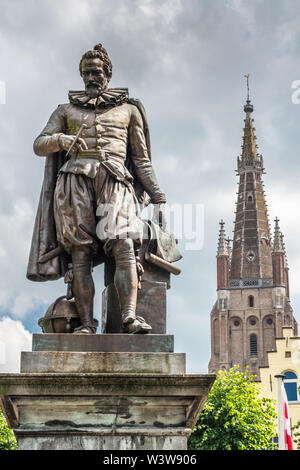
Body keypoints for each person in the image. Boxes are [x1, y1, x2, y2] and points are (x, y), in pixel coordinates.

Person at [27, 44, 167, 334]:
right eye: (86, 73)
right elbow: (39, 144)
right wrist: (62, 140)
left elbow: (141, 160)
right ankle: (87, 324)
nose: (92, 78)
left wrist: (159, 196)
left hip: (116, 180)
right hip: (74, 181)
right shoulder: (65, 110)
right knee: (80, 254)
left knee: (125, 243)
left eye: (97, 72)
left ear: (108, 74)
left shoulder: (129, 110)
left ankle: (129, 317)